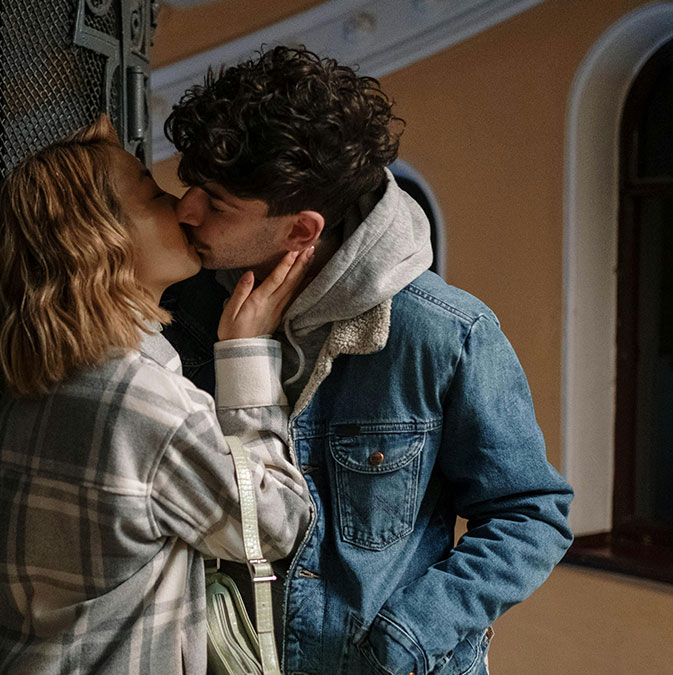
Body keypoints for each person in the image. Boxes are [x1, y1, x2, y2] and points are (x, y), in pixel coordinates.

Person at [160, 46, 574, 675]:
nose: (185, 210)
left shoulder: (443, 333)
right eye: (191, 185)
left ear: (302, 229)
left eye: (216, 203)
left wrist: (403, 640)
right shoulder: (183, 308)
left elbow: (530, 515)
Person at [0, 116, 314, 674]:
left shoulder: (16, 406)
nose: (180, 206)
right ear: (100, 241)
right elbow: (276, 526)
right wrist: (246, 356)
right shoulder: (147, 405)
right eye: (151, 194)